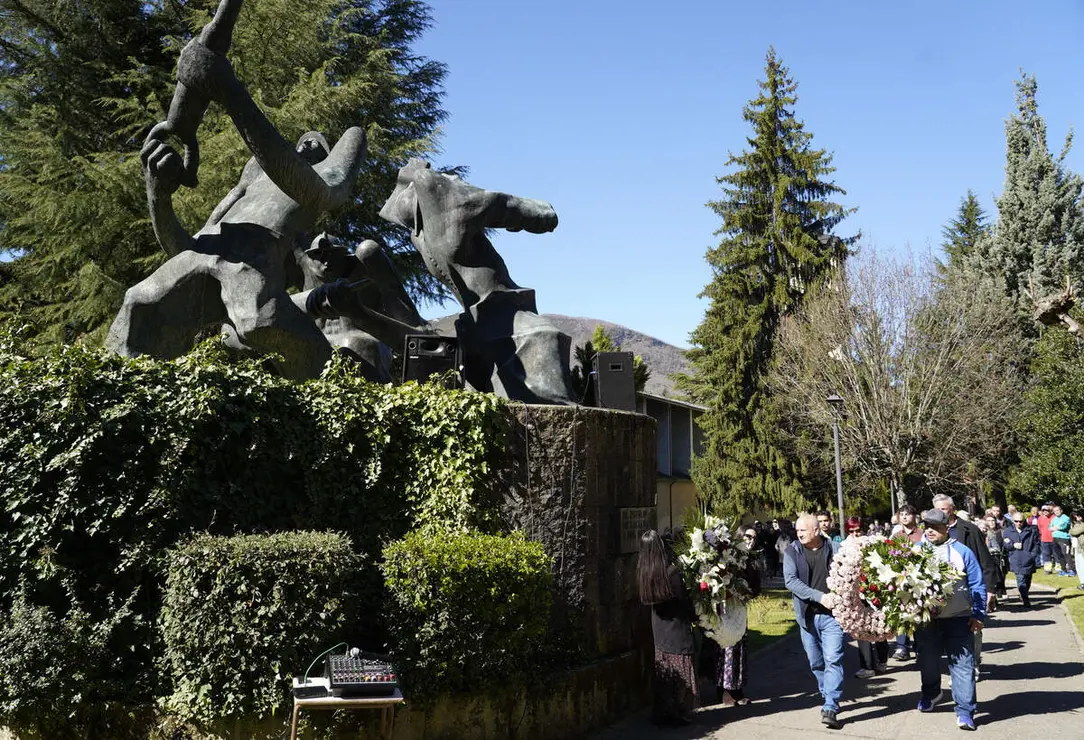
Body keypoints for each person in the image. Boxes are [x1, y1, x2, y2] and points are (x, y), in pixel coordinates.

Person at [914, 509, 986, 732]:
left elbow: (977, 583)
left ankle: (965, 711)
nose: (930, 531)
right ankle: (931, 693)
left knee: (962, 665)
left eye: (936, 527)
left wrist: (978, 614)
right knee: (927, 661)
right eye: (927, 526)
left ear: (947, 528)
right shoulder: (914, 551)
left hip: (958, 618)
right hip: (925, 620)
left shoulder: (961, 551)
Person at [783, 513, 844, 730]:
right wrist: (819, 597)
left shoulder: (835, 549)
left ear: (816, 530)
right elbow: (791, 581)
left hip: (832, 617)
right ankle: (827, 693)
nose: (799, 534)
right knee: (816, 663)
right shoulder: (792, 551)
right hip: (807, 617)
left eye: (803, 530)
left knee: (833, 659)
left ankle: (830, 705)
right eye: (797, 530)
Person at [931, 494, 997, 683]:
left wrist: (990, 589)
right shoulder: (929, 532)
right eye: (936, 509)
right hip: (939, 594)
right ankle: (957, 668)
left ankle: (972, 665)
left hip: (967, 591)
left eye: (943, 509)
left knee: (973, 630)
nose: (940, 513)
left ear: (952, 509)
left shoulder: (969, 530)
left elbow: (984, 560)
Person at [638, 529, 697, 726]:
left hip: (659, 629)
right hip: (676, 627)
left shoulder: (645, 573)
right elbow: (684, 601)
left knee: (665, 670)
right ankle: (679, 711)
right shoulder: (671, 573)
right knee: (680, 668)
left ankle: (664, 712)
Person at [713, 528, 762, 706]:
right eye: (748, 536)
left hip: (740, 609)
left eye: (754, 537)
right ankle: (724, 690)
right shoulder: (729, 556)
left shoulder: (752, 560)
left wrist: (746, 592)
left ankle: (737, 689)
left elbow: (756, 587)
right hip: (726, 609)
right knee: (727, 648)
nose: (751, 540)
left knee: (740, 649)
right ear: (739, 536)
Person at [890, 504, 922, 660]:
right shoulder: (896, 536)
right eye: (901, 514)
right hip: (901, 581)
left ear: (914, 516)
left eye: (907, 514)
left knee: (918, 613)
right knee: (901, 612)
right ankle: (902, 647)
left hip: (919, 581)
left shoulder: (922, 535)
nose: (904, 516)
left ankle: (920, 647)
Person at [1002, 512, 1041, 608]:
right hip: (1016, 558)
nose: (1018, 523)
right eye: (1016, 521)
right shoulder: (1008, 531)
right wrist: (1012, 545)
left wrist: (1032, 555)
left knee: (1028, 579)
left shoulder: (1032, 530)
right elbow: (1005, 545)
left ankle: (1024, 594)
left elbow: (1037, 544)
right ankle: (1025, 599)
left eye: (1020, 521)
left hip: (1028, 558)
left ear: (1024, 521)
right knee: (1020, 579)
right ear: (1013, 521)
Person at [983, 514, 1007, 598]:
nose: (991, 522)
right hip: (988, 557)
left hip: (999, 556)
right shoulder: (983, 532)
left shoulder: (1001, 531)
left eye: (993, 520)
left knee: (1001, 575)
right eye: (989, 521)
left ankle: (1000, 592)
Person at [1050, 505, 1075, 576]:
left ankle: (1072, 570)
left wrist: (1055, 527)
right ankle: (1063, 570)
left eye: (1057, 510)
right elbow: (1050, 527)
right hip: (1055, 538)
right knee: (1059, 555)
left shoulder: (1066, 518)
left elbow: (1063, 526)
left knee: (1066, 554)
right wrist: (1055, 527)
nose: (1056, 512)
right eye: (1054, 511)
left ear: (1061, 510)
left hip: (1064, 539)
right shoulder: (1054, 519)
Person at [1036, 504, 1054, 571]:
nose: (1045, 511)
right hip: (1044, 539)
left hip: (1054, 539)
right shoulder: (1040, 518)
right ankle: (1048, 569)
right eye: (1043, 510)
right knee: (1046, 555)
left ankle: (1059, 568)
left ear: (1049, 511)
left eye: (1047, 510)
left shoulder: (1054, 517)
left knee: (1056, 554)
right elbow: (1039, 528)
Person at [1070, 512, 1084, 591]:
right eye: (1074, 516)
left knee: (1082, 566)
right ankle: (1082, 583)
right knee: (1079, 566)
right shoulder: (1076, 524)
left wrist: (1071, 530)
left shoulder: (1082, 525)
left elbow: (1074, 532)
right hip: (1077, 547)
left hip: (1082, 548)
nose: (1076, 517)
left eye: (1078, 515)